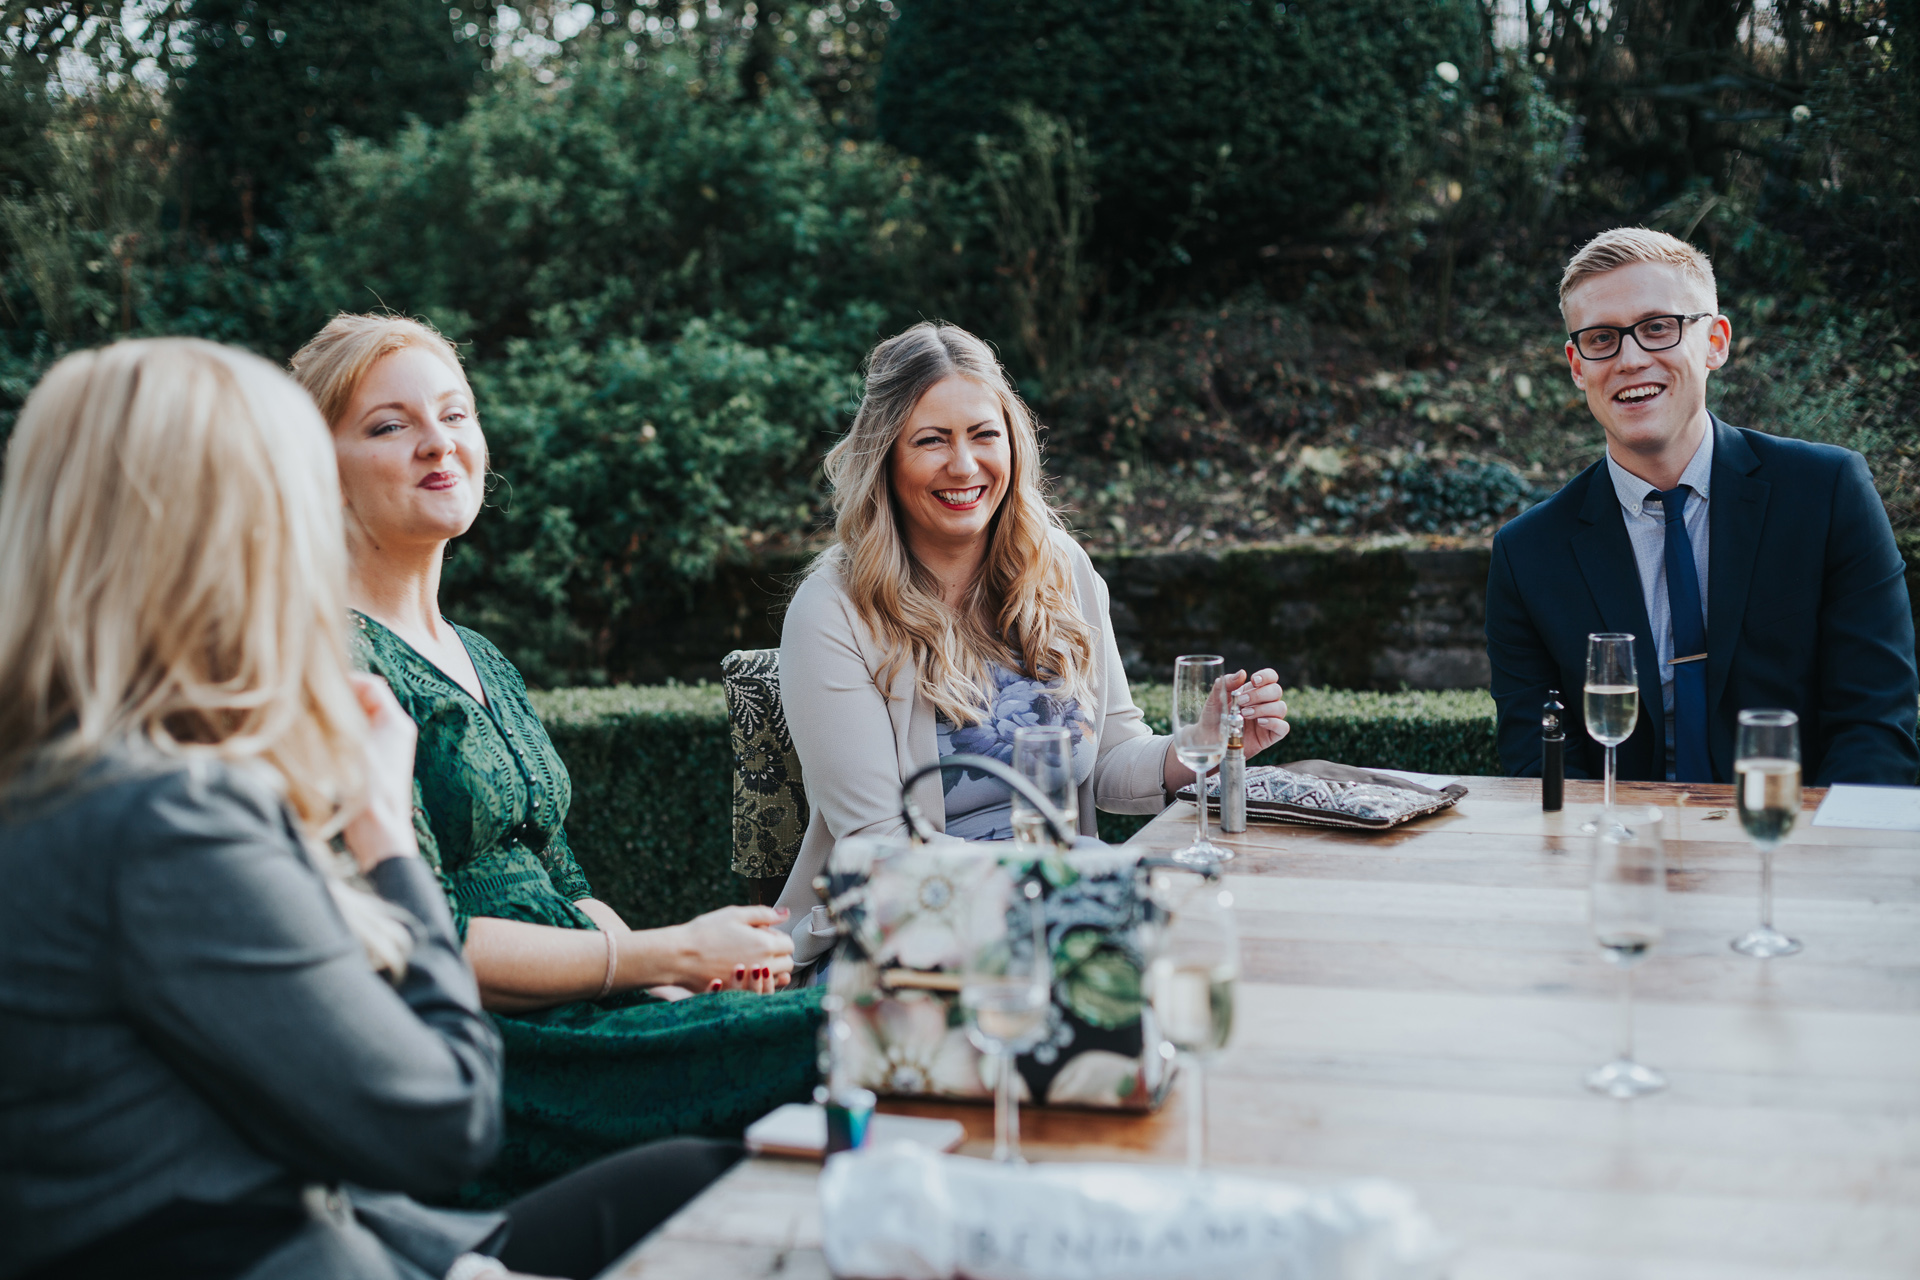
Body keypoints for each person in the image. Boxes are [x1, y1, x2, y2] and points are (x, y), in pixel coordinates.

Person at [0, 338, 743, 1280]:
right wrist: (388, 830)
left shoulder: (73, 776)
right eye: (296, 492)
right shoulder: (164, 820)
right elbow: (441, 1120)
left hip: (354, 1232)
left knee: (689, 1177)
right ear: (223, 531)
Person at [287, 314, 823, 1204]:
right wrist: (667, 953)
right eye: (390, 425)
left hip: (589, 1016)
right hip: (489, 1057)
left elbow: (567, 888)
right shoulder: (338, 659)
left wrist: (689, 992)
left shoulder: (482, 654)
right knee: (862, 1035)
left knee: (845, 1022)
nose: (436, 444)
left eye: (454, 415)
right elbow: (423, 937)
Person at [775, 321, 1293, 967]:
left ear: (1013, 445)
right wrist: (1081, 879)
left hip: (1060, 916)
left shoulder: (1061, 569)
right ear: (886, 458)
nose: (963, 465)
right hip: (905, 939)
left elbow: (1108, 760)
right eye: (931, 441)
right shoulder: (832, 611)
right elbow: (881, 847)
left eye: (983, 435)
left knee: (1232, 952)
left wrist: (1199, 745)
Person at [1486, 227, 1918, 785]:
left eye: (1659, 328)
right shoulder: (1527, 554)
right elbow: (1539, 758)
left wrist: (1815, 859)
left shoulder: (1828, 492)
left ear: (1715, 341)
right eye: (1601, 340)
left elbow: (1875, 723)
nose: (1631, 359)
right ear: (1577, 365)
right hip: (1620, 853)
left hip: (1791, 844)